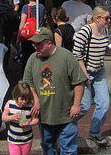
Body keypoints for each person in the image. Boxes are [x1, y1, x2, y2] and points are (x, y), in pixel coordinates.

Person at [24, 27, 87, 155]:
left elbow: (79, 81)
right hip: (45, 116)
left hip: (66, 115)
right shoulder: (32, 59)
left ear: (49, 43)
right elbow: (28, 83)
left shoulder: (66, 57)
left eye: (39, 45)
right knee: (47, 147)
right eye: (34, 44)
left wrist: (76, 105)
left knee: (69, 149)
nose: (36, 47)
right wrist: (36, 99)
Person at [72, 6, 111, 147]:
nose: (109, 20)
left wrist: (108, 49)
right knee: (84, 105)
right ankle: (67, 124)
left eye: (109, 18)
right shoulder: (85, 31)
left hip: (99, 70)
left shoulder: (106, 31)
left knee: (104, 103)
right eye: (106, 18)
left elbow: (103, 48)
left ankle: (95, 133)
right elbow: (77, 54)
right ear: (97, 18)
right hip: (86, 71)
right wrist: (84, 75)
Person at [2, 80, 39, 155]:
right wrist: (12, 117)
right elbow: (3, 118)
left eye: (27, 99)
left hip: (26, 139)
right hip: (13, 140)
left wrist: (29, 123)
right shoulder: (10, 104)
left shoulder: (30, 106)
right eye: (22, 99)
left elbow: (36, 120)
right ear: (16, 96)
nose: (24, 102)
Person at [18, 0, 45, 69]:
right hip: (39, 35)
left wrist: (18, 37)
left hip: (28, 36)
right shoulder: (41, 7)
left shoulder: (26, 8)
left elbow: (22, 23)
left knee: (26, 58)